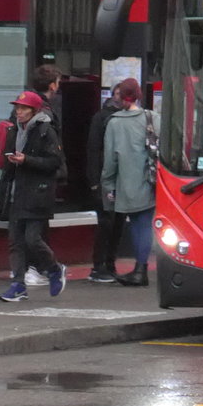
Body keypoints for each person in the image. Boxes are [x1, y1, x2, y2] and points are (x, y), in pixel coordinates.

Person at [0, 90, 67, 303]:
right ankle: (17, 285)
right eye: (17, 108)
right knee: (15, 241)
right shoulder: (13, 131)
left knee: (32, 239)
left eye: (23, 108)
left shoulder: (45, 131)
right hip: (16, 193)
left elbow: (54, 163)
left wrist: (27, 160)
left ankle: (54, 269)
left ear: (34, 111)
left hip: (38, 193)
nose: (19, 112)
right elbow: (7, 167)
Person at [100, 78, 159, 287]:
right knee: (144, 224)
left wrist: (107, 185)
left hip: (127, 183)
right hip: (152, 181)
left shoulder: (115, 123)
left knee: (137, 225)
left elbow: (110, 160)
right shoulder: (152, 117)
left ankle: (140, 270)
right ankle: (140, 267)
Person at [85, 83, 125, 282]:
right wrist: (94, 181)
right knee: (106, 222)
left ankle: (110, 264)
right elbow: (93, 149)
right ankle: (98, 265)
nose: (119, 97)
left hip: (122, 179)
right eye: (117, 93)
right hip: (104, 177)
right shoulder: (102, 117)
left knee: (117, 223)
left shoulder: (128, 117)